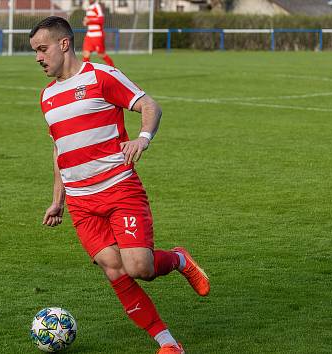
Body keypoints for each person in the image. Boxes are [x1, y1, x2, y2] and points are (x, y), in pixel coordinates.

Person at [29, 17, 210, 354]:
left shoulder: (102, 77)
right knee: (114, 269)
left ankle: (180, 260)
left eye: (42, 49)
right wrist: (58, 200)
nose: (38, 57)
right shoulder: (47, 96)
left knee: (140, 267)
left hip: (119, 189)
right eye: (35, 52)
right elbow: (60, 150)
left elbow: (149, 105)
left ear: (64, 44)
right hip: (82, 203)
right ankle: (168, 343)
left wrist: (142, 138)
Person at [82, 0, 114, 67]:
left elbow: (101, 20)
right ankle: (86, 73)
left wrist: (90, 20)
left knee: (101, 54)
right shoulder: (88, 8)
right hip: (89, 34)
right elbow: (89, 20)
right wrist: (86, 22)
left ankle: (113, 68)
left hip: (97, 35)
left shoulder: (97, 6)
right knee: (86, 54)